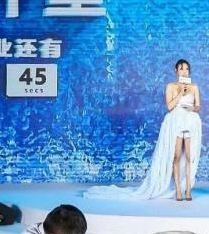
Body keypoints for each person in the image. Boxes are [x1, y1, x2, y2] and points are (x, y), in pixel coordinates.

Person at [85, 59, 202, 200]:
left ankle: (188, 189)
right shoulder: (171, 86)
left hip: (190, 121)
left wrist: (192, 108)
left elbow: (198, 106)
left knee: (189, 156)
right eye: (181, 68)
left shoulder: (194, 87)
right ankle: (178, 189)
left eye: (186, 69)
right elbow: (170, 107)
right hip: (176, 121)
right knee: (176, 156)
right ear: (176, 70)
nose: (184, 71)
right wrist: (180, 93)